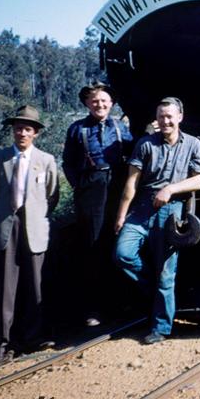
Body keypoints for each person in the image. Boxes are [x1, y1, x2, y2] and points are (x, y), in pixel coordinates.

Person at [113, 97, 200, 344]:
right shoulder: (145, 145)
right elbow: (131, 183)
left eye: (169, 116)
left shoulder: (193, 144)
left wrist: (171, 189)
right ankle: (153, 291)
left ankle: (161, 327)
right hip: (142, 208)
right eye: (161, 116)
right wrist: (122, 215)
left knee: (166, 272)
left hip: (171, 209)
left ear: (180, 117)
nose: (165, 121)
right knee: (123, 253)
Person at [0, 105, 59, 362]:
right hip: (6, 226)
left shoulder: (46, 161)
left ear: (35, 133)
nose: (22, 133)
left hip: (35, 228)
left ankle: (31, 338)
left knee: (35, 286)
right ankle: (2, 343)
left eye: (27, 129)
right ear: (12, 131)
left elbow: (52, 195)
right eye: (18, 128)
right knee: (5, 288)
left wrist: (37, 215)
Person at [63, 82, 133, 327]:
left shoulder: (120, 127)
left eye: (104, 101)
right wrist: (80, 188)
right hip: (90, 188)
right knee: (92, 247)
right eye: (95, 101)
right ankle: (93, 308)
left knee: (117, 240)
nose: (100, 105)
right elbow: (68, 163)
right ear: (87, 104)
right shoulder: (76, 129)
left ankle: (122, 303)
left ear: (111, 103)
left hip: (116, 186)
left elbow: (134, 153)